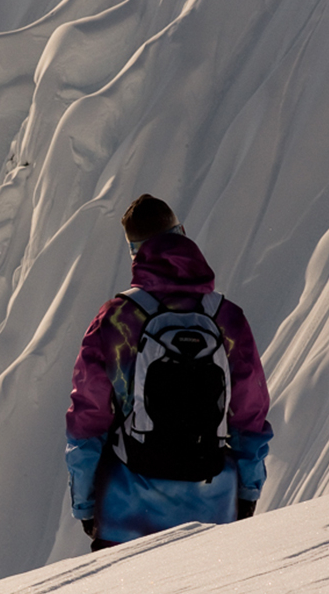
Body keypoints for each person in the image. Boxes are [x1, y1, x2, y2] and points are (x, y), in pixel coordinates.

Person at [65, 194, 273, 550]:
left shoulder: (116, 318)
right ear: (182, 235)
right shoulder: (226, 318)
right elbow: (250, 413)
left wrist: (86, 503)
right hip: (213, 502)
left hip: (126, 510)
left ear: (135, 254)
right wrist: (248, 489)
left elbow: (89, 418)